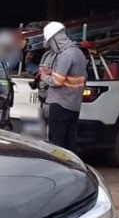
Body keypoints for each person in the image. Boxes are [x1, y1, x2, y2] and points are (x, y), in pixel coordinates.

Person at [36, 21, 88, 152]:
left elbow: (57, 81)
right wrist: (52, 72)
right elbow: (76, 76)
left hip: (60, 106)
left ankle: (59, 170)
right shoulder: (78, 53)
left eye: (51, 43)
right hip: (73, 106)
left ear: (55, 39)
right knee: (70, 143)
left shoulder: (65, 55)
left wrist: (44, 76)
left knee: (57, 145)